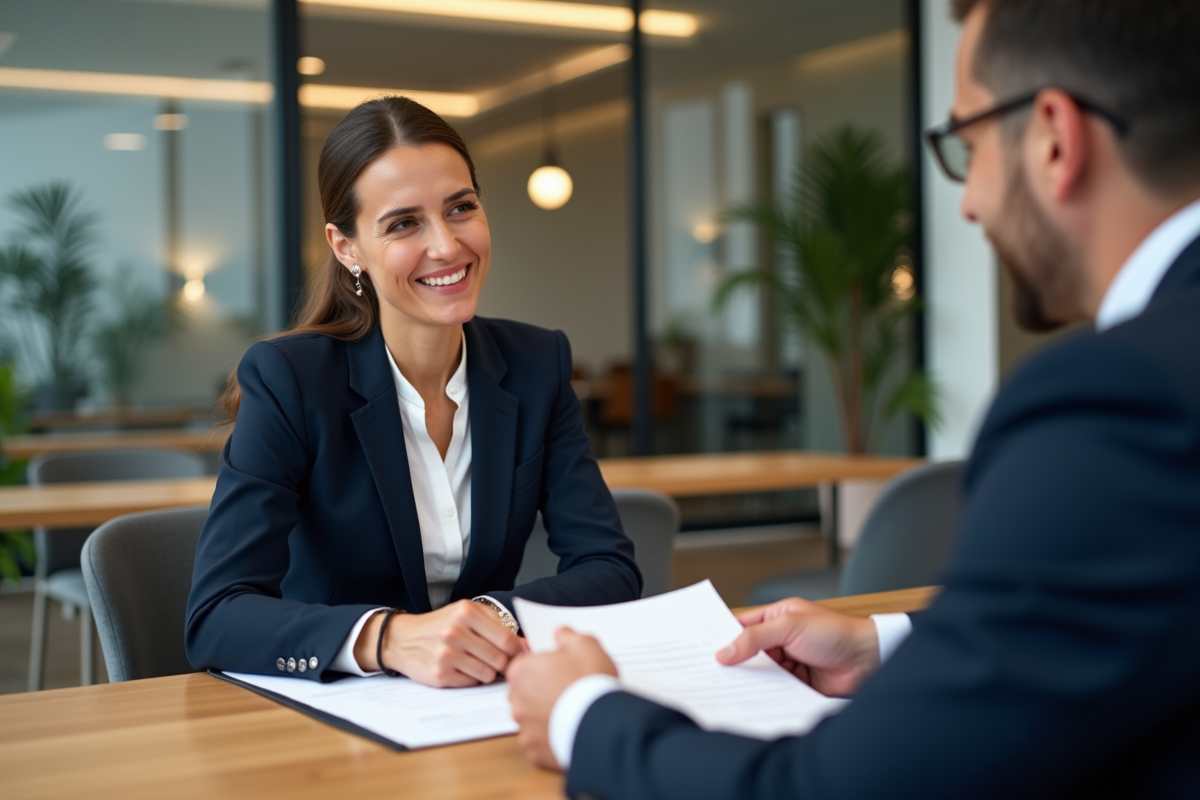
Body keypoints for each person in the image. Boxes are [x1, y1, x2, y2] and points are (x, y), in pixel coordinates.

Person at [506, 0, 1200, 796]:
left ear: (1053, 136)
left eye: (965, 147)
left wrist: (583, 714)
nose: (968, 202)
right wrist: (890, 642)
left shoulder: (1119, 398)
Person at [185, 96, 641, 687]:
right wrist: (390, 638)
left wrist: (488, 615)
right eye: (404, 223)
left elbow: (609, 567)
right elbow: (217, 618)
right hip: (330, 721)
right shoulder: (290, 379)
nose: (448, 246)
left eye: (461, 208)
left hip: (477, 701)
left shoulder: (536, 363)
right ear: (347, 247)